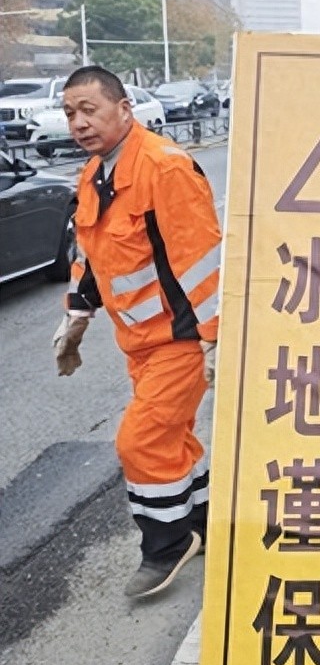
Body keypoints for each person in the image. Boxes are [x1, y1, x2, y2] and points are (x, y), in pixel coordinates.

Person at [52, 65, 221, 599]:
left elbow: (203, 260)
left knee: (140, 440)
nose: (79, 123)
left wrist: (217, 338)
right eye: (70, 113)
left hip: (181, 341)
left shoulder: (164, 169)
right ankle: (204, 523)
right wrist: (76, 317)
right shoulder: (95, 173)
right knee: (174, 440)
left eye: (89, 110)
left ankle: (165, 546)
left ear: (124, 108)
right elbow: (93, 254)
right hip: (141, 345)